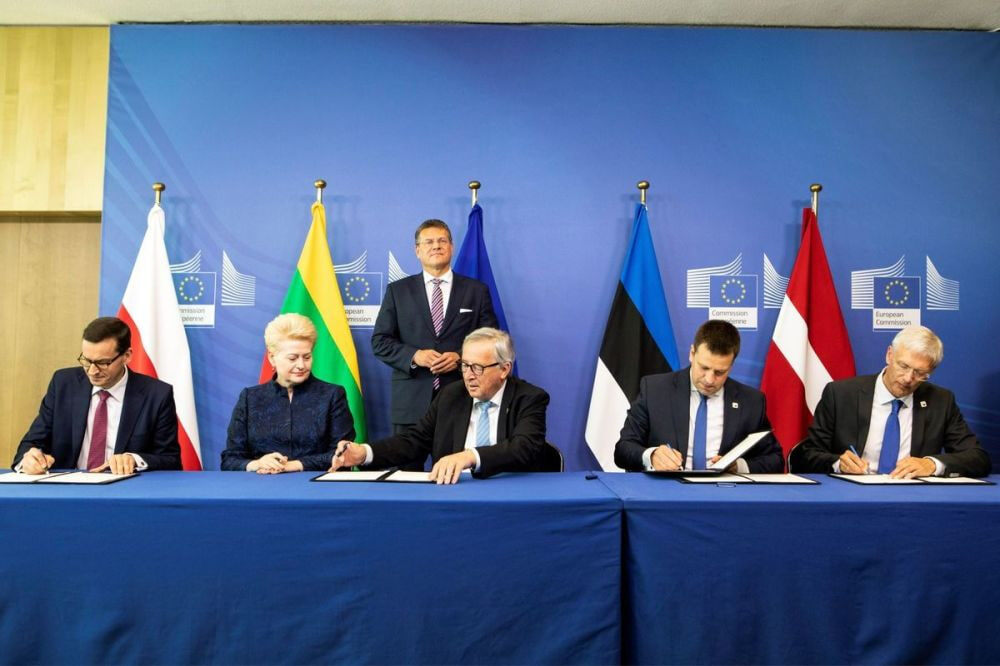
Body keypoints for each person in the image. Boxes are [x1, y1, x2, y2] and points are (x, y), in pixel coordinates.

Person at [331, 328, 548, 484]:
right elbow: (414, 440)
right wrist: (365, 453)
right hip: (453, 492)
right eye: (464, 366)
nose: (469, 376)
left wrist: (469, 456)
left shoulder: (529, 398)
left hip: (508, 492)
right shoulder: (452, 395)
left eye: (477, 368)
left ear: (504, 369)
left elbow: (524, 447)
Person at [790, 325, 991, 478]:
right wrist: (838, 464)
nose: (908, 378)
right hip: (852, 493)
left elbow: (978, 458)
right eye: (903, 366)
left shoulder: (941, 401)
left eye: (920, 373)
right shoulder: (841, 394)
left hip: (914, 497)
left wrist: (932, 464)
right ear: (889, 355)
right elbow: (806, 456)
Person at [371, 219, 498, 435]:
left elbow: (491, 340)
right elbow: (380, 342)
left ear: (451, 247)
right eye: (429, 242)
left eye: (442, 241)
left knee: (455, 458)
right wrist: (415, 356)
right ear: (417, 250)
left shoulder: (476, 291)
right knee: (406, 458)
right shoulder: (398, 291)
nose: (436, 246)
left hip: (461, 398)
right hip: (410, 403)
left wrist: (460, 358)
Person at [12, 316, 181, 475]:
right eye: (86, 361)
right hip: (68, 487)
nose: (92, 371)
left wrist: (134, 459)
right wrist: (29, 460)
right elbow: (31, 443)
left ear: (127, 356)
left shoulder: (156, 395)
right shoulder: (63, 384)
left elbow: (171, 460)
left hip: (124, 489)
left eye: (102, 362)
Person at [614, 319, 783, 473]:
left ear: (731, 366)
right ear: (692, 354)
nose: (709, 380)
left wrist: (738, 466)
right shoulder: (655, 390)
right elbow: (623, 449)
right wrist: (651, 456)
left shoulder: (751, 402)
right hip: (668, 490)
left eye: (719, 372)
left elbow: (775, 460)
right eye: (704, 368)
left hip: (725, 492)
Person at [221, 313, 355, 473]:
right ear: (272, 358)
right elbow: (230, 460)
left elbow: (343, 455)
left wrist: (293, 465)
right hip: (261, 484)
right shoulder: (250, 398)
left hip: (316, 485)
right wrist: (257, 464)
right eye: (292, 358)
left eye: (307, 357)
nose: (301, 365)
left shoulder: (332, 395)